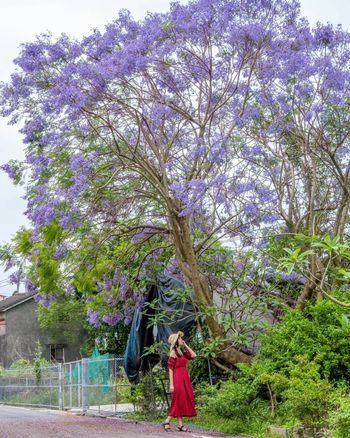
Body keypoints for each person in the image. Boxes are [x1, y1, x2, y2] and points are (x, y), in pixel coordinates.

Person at [162, 331, 197, 432]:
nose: (182, 340)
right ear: (176, 341)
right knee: (177, 400)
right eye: (180, 339)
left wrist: (185, 345)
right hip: (177, 379)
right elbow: (170, 369)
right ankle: (167, 421)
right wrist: (172, 384)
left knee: (181, 400)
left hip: (184, 378)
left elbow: (194, 355)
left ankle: (180, 425)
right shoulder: (174, 352)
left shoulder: (182, 352)